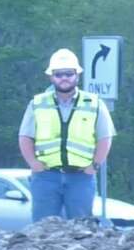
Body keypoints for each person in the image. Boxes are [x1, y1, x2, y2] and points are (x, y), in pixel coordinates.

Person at [17, 48, 116, 222]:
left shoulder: (94, 104)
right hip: (46, 177)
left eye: (69, 74)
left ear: (77, 75)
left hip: (81, 178)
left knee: (81, 228)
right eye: (58, 74)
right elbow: (25, 137)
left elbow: (105, 138)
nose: (64, 78)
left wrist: (94, 166)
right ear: (51, 77)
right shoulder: (38, 103)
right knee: (43, 228)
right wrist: (33, 163)